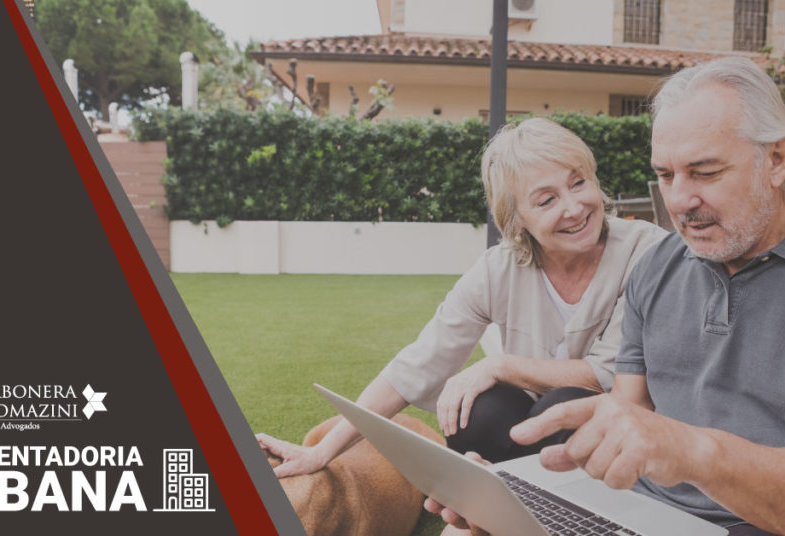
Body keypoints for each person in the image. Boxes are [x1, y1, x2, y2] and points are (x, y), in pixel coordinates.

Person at [493, 57, 785, 535]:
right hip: (646, 516)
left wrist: (693, 451)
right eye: (666, 175)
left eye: (704, 172)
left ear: (778, 159)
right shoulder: (657, 269)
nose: (678, 200)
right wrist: (522, 500)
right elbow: (631, 414)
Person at [257, 117, 668, 475]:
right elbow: (418, 365)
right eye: (547, 200)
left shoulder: (645, 250)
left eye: (579, 183)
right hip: (537, 433)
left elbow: (610, 375)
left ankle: (508, 503)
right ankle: (503, 498)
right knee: (476, 408)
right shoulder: (499, 268)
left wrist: (500, 365)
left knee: (562, 405)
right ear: (516, 219)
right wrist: (321, 451)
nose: (575, 207)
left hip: (621, 426)